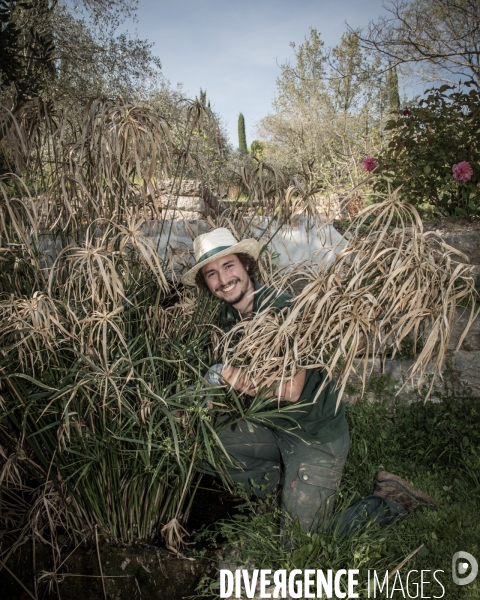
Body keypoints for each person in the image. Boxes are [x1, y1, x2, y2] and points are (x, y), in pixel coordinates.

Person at [182, 227, 435, 537]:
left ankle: (390, 501)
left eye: (229, 266)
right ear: (206, 283)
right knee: (200, 443)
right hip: (273, 427)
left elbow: (290, 389)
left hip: (314, 436)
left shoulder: (285, 310)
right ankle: (277, 481)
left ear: (246, 264)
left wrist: (223, 373)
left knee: (301, 543)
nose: (223, 280)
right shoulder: (229, 317)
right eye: (211, 274)